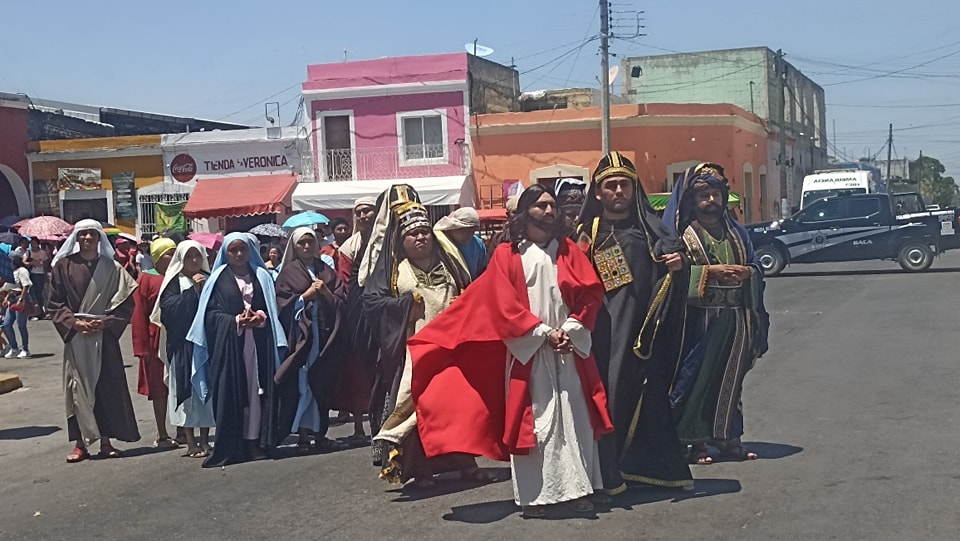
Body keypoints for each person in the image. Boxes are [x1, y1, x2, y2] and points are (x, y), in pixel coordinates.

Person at [407, 184, 614, 517]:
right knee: (537, 424)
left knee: (575, 419)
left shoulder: (569, 250)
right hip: (529, 352)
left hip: (568, 349)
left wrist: (572, 327)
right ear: (525, 213)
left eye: (552, 206)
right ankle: (536, 497)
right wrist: (543, 333)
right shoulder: (507, 254)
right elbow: (502, 305)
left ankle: (578, 489)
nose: (549, 211)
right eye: (541, 206)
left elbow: (591, 294)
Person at [577, 152, 693, 495]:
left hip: (645, 333)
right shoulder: (586, 233)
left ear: (634, 189)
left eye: (624, 185)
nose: (618, 191)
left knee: (649, 397)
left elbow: (677, 267)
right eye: (610, 185)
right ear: (598, 192)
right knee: (605, 399)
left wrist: (678, 265)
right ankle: (606, 472)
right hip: (601, 335)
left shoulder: (653, 230)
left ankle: (653, 469)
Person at [360, 184, 479, 486]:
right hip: (414, 353)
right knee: (420, 410)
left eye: (425, 231)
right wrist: (403, 306)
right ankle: (421, 469)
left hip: (451, 350)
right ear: (402, 240)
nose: (421, 237)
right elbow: (372, 303)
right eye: (413, 234)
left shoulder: (449, 263)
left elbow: (468, 293)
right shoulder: (394, 271)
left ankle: (467, 464)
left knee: (457, 408)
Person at [663, 163, 770, 464]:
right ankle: (695, 442)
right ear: (692, 200)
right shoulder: (683, 235)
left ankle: (729, 439)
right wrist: (710, 272)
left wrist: (748, 273)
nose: (711, 200)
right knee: (697, 379)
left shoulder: (737, 232)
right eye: (704, 195)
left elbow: (755, 266)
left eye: (715, 194)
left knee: (731, 380)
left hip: (736, 320)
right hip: (699, 323)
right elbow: (669, 277)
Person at [187, 233, 287, 468]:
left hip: (259, 345)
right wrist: (235, 321)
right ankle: (233, 444)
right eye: (233, 250)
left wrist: (260, 317)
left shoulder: (262, 276)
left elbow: (273, 309)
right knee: (232, 392)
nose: (239, 254)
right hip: (230, 346)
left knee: (256, 392)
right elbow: (210, 315)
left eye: (243, 249)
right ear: (225, 253)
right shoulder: (217, 279)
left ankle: (255, 441)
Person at [47, 219, 140, 462]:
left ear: (100, 238)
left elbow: (125, 302)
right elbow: (54, 303)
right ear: (76, 238)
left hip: (104, 337)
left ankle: (106, 442)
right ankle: (80, 444)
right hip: (76, 336)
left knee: (105, 387)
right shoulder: (63, 266)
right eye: (83, 234)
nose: (87, 238)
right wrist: (74, 323)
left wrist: (106, 322)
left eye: (92, 234)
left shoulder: (112, 267)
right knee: (77, 387)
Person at [274, 228, 346, 453]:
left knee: (321, 384)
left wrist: (325, 293)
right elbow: (281, 305)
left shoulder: (325, 270)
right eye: (301, 243)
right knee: (303, 383)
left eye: (310, 242)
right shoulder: (289, 272)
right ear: (294, 247)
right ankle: (303, 435)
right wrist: (305, 297)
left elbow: (341, 300)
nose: (306, 247)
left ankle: (320, 433)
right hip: (301, 338)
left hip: (323, 336)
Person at [152, 240, 216, 459]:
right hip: (182, 347)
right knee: (186, 393)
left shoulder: (209, 279)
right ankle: (190, 441)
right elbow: (169, 312)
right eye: (189, 257)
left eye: (197, 256)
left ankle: (205, 439)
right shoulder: (173, 283)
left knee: (205, 392)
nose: (194, 260)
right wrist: (192, 291)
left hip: (205, 345)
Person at [330, 196, 377, 445]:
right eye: (358, 212)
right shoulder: (349, 247)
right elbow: (346, 282)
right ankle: (359, 426)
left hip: (385, 311)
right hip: (357, 314)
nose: (363, 216)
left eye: (368, 211)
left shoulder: (387, 242)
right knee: (358, 369)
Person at [131, 238, 178, 448]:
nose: (173, 257)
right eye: (169, 253)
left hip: (178, 337)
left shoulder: (180, 275)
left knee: (179, 384)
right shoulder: (146, 279)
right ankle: (162, 432)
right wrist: (141, 346)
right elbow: (139, 313)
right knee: (159, 387)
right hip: (155, 339)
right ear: (158, 257)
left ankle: (183, 430)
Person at [434, 207, 487, 280]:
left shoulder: (479, 244)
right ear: (454, 227)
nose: (470, 235)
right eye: (466, 230)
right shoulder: (439, 240)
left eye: (473, 231)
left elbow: (482, 272)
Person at [2, 253, 32, 358]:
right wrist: (6, 298)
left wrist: (21, 299)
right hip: (12, 299)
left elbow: (26, 285)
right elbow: (10, 288)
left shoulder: (22, 271)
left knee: (21, 324)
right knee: (7, 324)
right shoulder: (11, 272)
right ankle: (14, 348)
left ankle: (25, 349)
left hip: (21, 298)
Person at [26, 238, 50, 320]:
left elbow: (47, 262)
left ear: (38, 244)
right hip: (31, 274)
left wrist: (42, 264)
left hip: (40, 274)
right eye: (31, 243)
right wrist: (31, 263)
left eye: (34, 243)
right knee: (32, 293)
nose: (33, 245)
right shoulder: (28, 252)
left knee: (39, 293)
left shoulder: (42, 252)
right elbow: (24, 261)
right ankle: (33, 311)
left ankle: (40, 311)